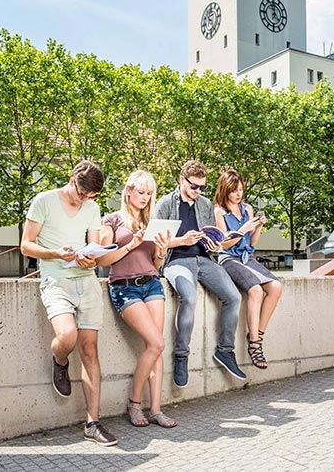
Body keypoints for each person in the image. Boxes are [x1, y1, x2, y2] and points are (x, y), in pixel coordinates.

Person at [20, 161, 117, 446]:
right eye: (84, 193)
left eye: (92, 197)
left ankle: (93, 423)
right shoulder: (44, 201)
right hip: (56, 280)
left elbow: (94, 245)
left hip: (86, 280)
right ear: (73, 180)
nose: (87, 200)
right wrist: (54, 253)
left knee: (89, 349)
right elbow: (26, 244)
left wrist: (90, 257)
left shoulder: (92, 208)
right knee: (67, 336)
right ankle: (59, 359)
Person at [98, 170, 177, 428]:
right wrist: (132, 244)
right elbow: (103, 260)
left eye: (149, 193)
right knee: (156, 343)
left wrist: (162, 252)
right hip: (124, 287)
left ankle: (155, 409)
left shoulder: (152, 222)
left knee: (157, 347)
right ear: (129, 191)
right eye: (141, 192)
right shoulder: (111, 220)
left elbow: (155, 262)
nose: (145, 197)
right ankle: (134, 403)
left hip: (152, 283)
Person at [156, 160, 245, 387]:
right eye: (194, 186)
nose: (198, 191)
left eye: (202, 187)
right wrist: (182, 240)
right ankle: (181, 355)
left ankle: (225, 350)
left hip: (204, 260)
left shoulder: (205, 204)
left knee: (234, 297)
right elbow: (156, 243)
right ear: (182, 180)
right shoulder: (165, 203)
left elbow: (209, 236)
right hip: (176, 261)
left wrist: (214, 245)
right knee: (190, 297)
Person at [214, 167, 283, 370]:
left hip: (246, 257)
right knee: (255, 290)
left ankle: (257, 334)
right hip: (228, 259)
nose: (238, 194)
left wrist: (259, 227)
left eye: (241, 190)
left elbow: (252, 243)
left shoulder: (248, 209)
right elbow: (223, 245)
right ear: (225, 190)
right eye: (234, 190)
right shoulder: (220, 211)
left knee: (276, 287)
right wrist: (241, 229)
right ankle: (254, 345)